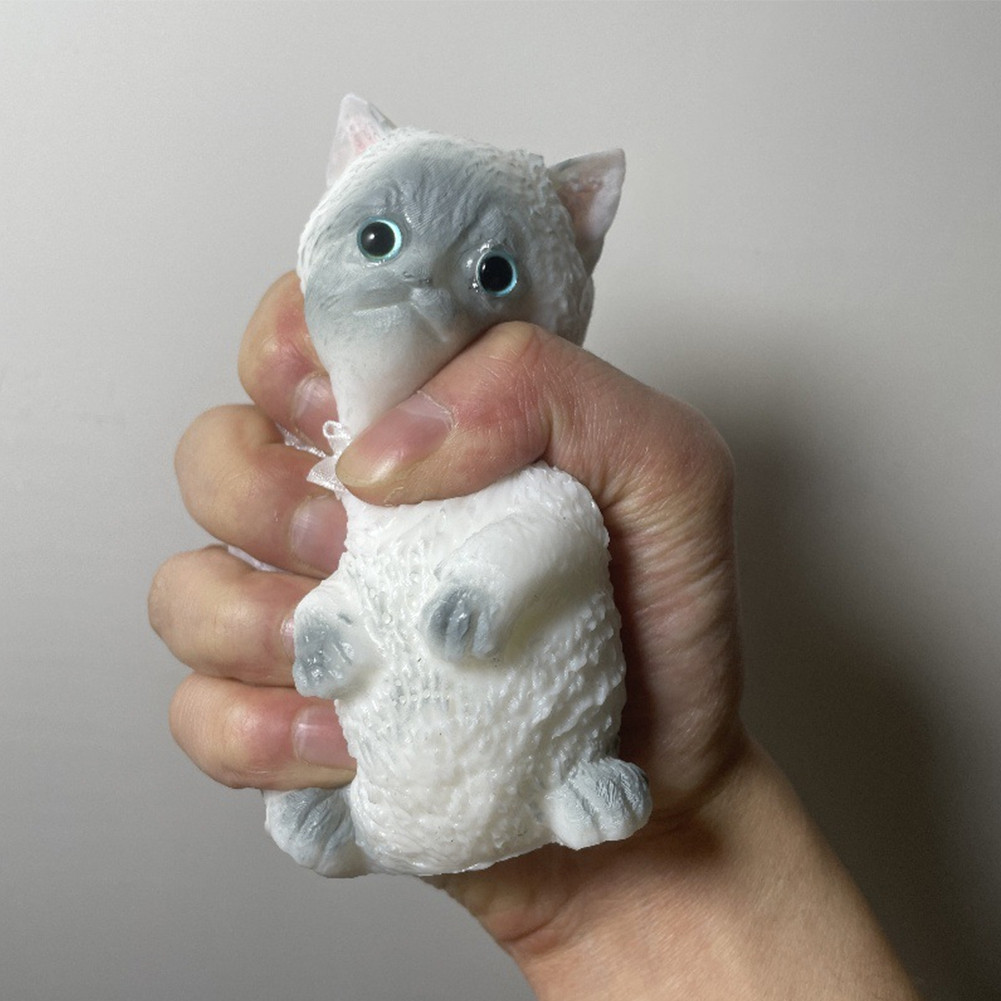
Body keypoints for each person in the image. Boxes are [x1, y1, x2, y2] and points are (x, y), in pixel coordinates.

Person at [149, 273, 920, 999]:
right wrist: (321, 629)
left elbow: (555, 533)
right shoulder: (360, 482)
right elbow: (347, 588)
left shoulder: (531, 478)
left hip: (571, 781)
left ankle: (567, 788)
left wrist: (486, 589)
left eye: (490, 270)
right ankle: (361, 824)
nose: (425, 289)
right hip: (412, 788)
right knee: (332, 621)